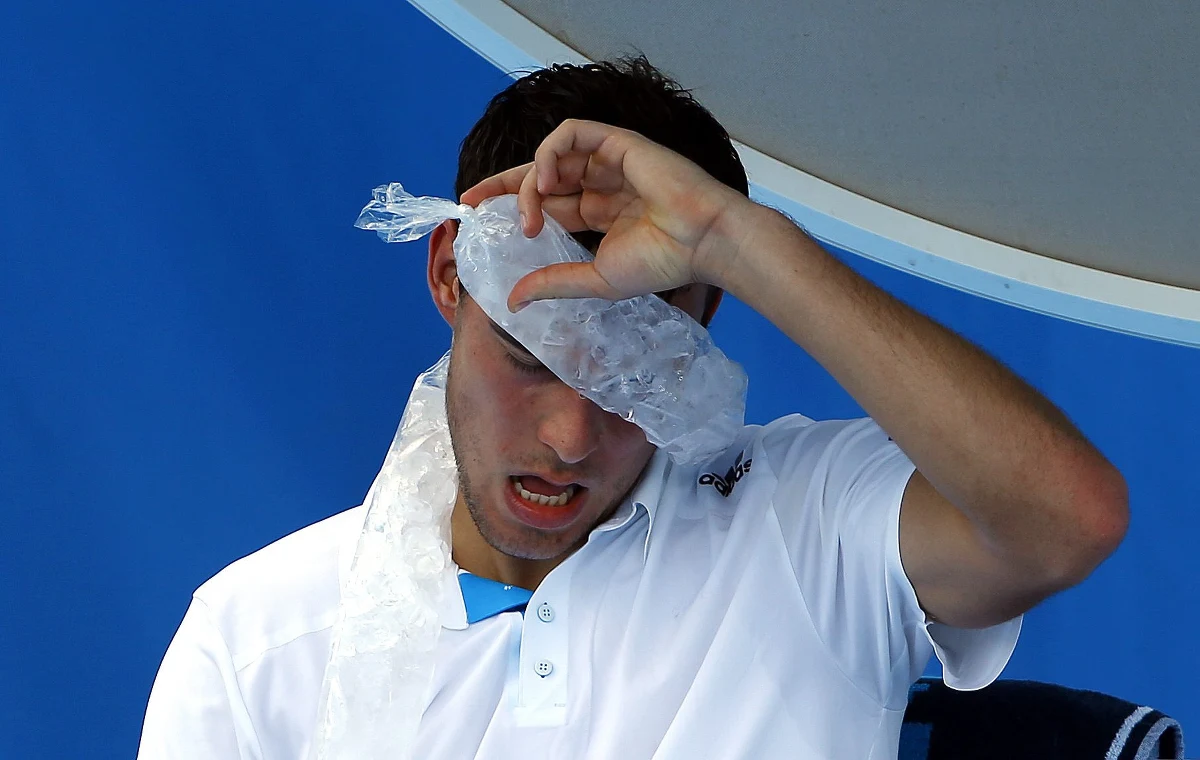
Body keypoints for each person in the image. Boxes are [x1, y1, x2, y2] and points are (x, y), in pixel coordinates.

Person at [138, 57, 1128, 759]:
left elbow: (1066, 519)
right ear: (449, 277)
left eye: (636, 380)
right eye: (532, 359)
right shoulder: (256, 640)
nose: (571, 438)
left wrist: (735, 239)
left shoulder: (812, 523)